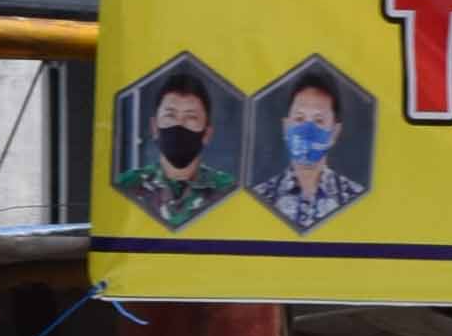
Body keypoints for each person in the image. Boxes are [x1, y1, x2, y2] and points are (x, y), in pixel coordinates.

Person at [124, 73, 234, 228]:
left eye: (191, 117)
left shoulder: (229, 192)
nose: (179, 125)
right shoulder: (126, 186)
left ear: (207, 134)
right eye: (170, 115)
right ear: (154, 128)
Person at [260, 71, 362, 235]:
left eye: (319, 121)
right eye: (299, 119)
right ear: (286, 127)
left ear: (335, 131)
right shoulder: (261, 197)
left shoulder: (355, 198)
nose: (307, 129)